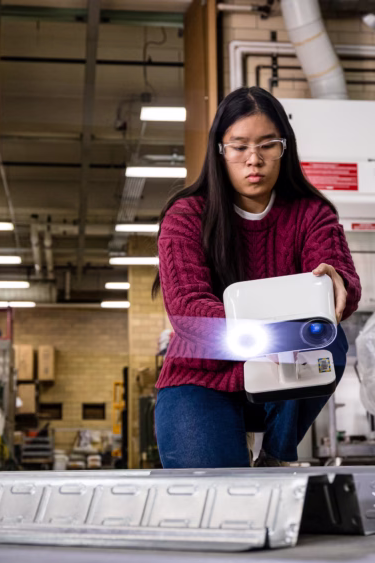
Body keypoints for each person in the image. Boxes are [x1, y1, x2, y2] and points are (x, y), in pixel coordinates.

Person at [151, 87, 361, 468]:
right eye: (239, 146)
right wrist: (266, 332)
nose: (254, 160)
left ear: (285, 148)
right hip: (201, 379)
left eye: (268, 145)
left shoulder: (312, 214)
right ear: (220, 150)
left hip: (281, 378)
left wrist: (336, 284)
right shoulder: (185, 216)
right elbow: (187, 309)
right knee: (213, 497)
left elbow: (335, 275)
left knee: (328, 338)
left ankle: (276, 455)